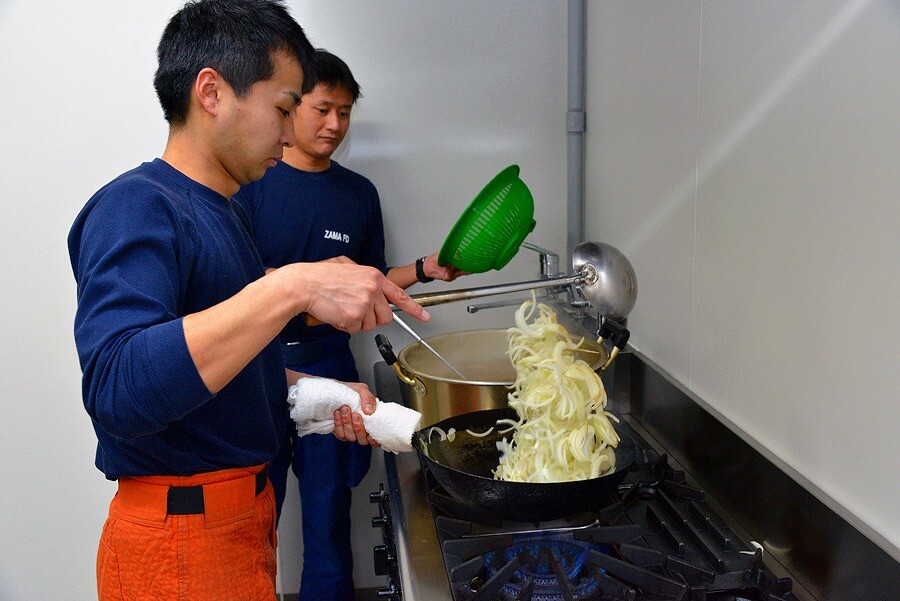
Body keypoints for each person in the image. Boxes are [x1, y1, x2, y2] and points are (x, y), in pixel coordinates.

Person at [66, 2, 428, 599]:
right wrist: (294, 286)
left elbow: (221, 370)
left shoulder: (226, 214)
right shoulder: (137, 205)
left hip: (238, 524)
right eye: (284, 108)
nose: (290, 134)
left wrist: (316, 394)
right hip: (182, 540)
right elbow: (117, 391)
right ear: (212, 92)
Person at [234, 49, 464, 601]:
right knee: (248, 531)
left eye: (345, 112)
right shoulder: (248, 184)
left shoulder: (358, 194)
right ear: (289, 109)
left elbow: (372, 277)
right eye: (321, 109)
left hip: (331, 370)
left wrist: (425, 271)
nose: (334, 124)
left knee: (330, 527)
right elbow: (230, 285)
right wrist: (303, 290)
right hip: (256, 371)